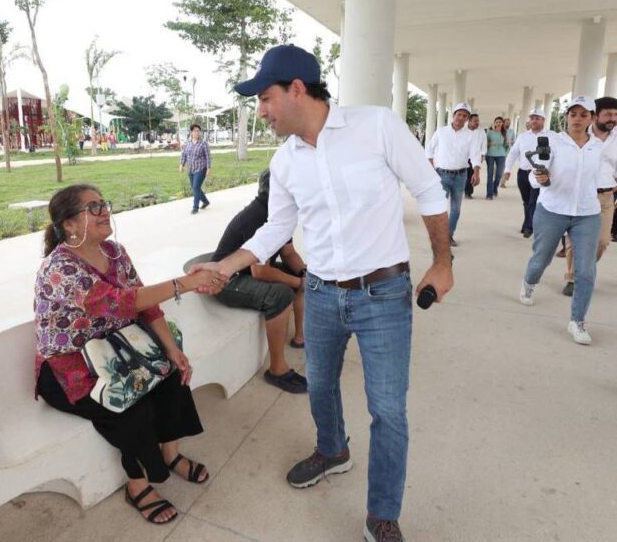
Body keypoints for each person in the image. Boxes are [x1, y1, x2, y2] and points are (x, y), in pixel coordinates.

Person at [193, 44, 453, 542]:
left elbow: (428, 189)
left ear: (296, 89)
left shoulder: (376, 126)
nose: (262, 112)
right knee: (321, 387)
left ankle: (382, 515)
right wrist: (226, 265)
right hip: (321, 294)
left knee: (388, 410)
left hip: (384, 296)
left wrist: (442, 263)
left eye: (265, 99)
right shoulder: (286, 162)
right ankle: (333, 450)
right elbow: (276, 229)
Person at [34, 184, 223, 524]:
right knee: (130, 405)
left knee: (171, 374)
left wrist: (172, 349)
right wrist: (185, 283)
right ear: (70, 224)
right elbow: (120, 302)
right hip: (71, 369)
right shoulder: (58, 268)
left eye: (103, 204)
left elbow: (144, 305)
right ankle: (137, 487)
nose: (105, 211)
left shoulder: (115, 252)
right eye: (93, 208)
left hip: (118, 348)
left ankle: (171, 453)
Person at [211, 169, 308, 393]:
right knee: (281, 295)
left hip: (248, 272)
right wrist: (297, 284)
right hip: (226, 280)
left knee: (303, 277)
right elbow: (260, 272)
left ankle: (301, 337)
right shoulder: (257, 216)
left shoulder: (278, 214)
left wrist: (303, 273)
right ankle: (277, 370)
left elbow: (289, 252)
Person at [519, 96, 603, 345]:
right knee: (541, 258)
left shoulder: (597, 147)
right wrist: (540, 179)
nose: (578, 119)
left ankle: (577, 321)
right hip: (553, 209)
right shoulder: (552, 142)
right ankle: (529, 281)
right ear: (566, 117)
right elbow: (537, 176)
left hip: (587, 213)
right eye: (573, 114)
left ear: (591, 118)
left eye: (584, 114)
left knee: (586, 269)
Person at [561, 96, 617, 296]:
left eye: (616, 114)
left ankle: (584, 269)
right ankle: (574, 277)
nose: (613, 118)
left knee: (602, 241)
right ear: (595, 116)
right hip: (580, 195)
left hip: (605, 198)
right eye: (608, 114)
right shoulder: (579, 135)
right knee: (575, 241)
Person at [426, 103, 482, 246]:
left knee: (456, 209)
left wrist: (476, 172)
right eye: (459, 114)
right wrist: (431, 169)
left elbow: (475, 155)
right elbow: (429, 150)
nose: (461, 118)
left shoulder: (471, 136)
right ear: (453, 115)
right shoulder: (441, 132)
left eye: (465, 116)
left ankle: (448, 235)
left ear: (467, 119)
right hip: (442, 175)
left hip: (461, 176)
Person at [503, 109, 552, 238]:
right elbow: (513, 153)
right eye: (532, 118)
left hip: (538, 173)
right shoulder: (523, 136)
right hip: (523, 173)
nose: (534, 121)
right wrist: (507, 170)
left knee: (533, 201)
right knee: (526, 201)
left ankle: (529, 228)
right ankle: (527, 223)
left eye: (537, 118)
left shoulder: (551, 136)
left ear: (543, 120)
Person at [179, 124, 212, 214]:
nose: (197, 133)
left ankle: (195, 207)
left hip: (201, 168)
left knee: (195, 187)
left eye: (198, 131)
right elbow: (184, 154)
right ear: (191, 132)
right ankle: (205, 201)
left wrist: (209, 168)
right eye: (195, 131)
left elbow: (208, 157)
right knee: (195, 188)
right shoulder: (187, 143)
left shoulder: (203, 143)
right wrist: (181, 165)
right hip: (190, 169)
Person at [463, 113, 486, 200]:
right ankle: (461, 189)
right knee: (462, 174)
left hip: (475, 157)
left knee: (471, 174)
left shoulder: (481, 131)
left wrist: (483, 155)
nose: (477, 122)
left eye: (478, 121)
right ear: (469, 121)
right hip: (463, 156)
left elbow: (484, 143)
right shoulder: (463, 129)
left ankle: (468, 192)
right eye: (475, 121)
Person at [485, 116, 508, 199]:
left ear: (502, 123)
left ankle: (494, 188)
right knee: (490, 175)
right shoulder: (489, 132)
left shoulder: (505, 133)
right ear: (494, 123)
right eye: (497, 122)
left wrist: (506, 148)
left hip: (501, 155)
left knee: (499, 174)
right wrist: (490, 144)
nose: (498, 123)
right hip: (490, 154)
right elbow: (485, 144)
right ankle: (489, 194)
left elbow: (507, 145)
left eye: (500, 122)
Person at [500, 117, 516, 188]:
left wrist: (510, 141)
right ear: (503, 123)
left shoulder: (511, 131)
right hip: (498, 151)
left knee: (505, 167)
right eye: (507, 122)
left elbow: (514, 141)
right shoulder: (499, 130)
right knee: (497, 168)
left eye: (509, 123)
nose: (508, 124)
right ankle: (498, 178)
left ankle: (503, 182)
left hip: (508, 152)